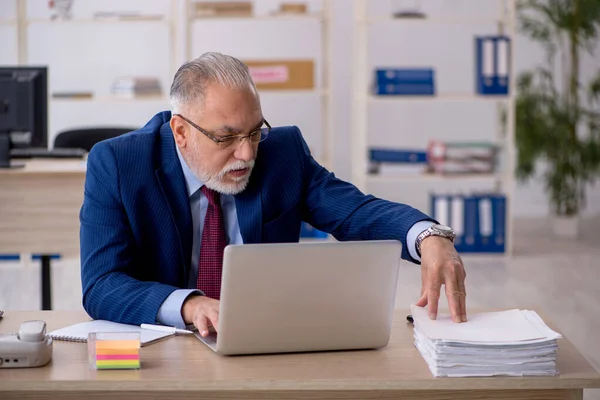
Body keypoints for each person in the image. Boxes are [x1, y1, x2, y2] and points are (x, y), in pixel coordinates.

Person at [80, 52, 467, 338]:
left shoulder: (283, 153)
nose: (247, 153)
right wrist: (189, 304)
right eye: (226, 137)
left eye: (254, 131)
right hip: (167, 348)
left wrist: (428, 235)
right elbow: (101, 284)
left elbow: (355, 211)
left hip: (265, 342)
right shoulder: (117, 164)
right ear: (180, 132)